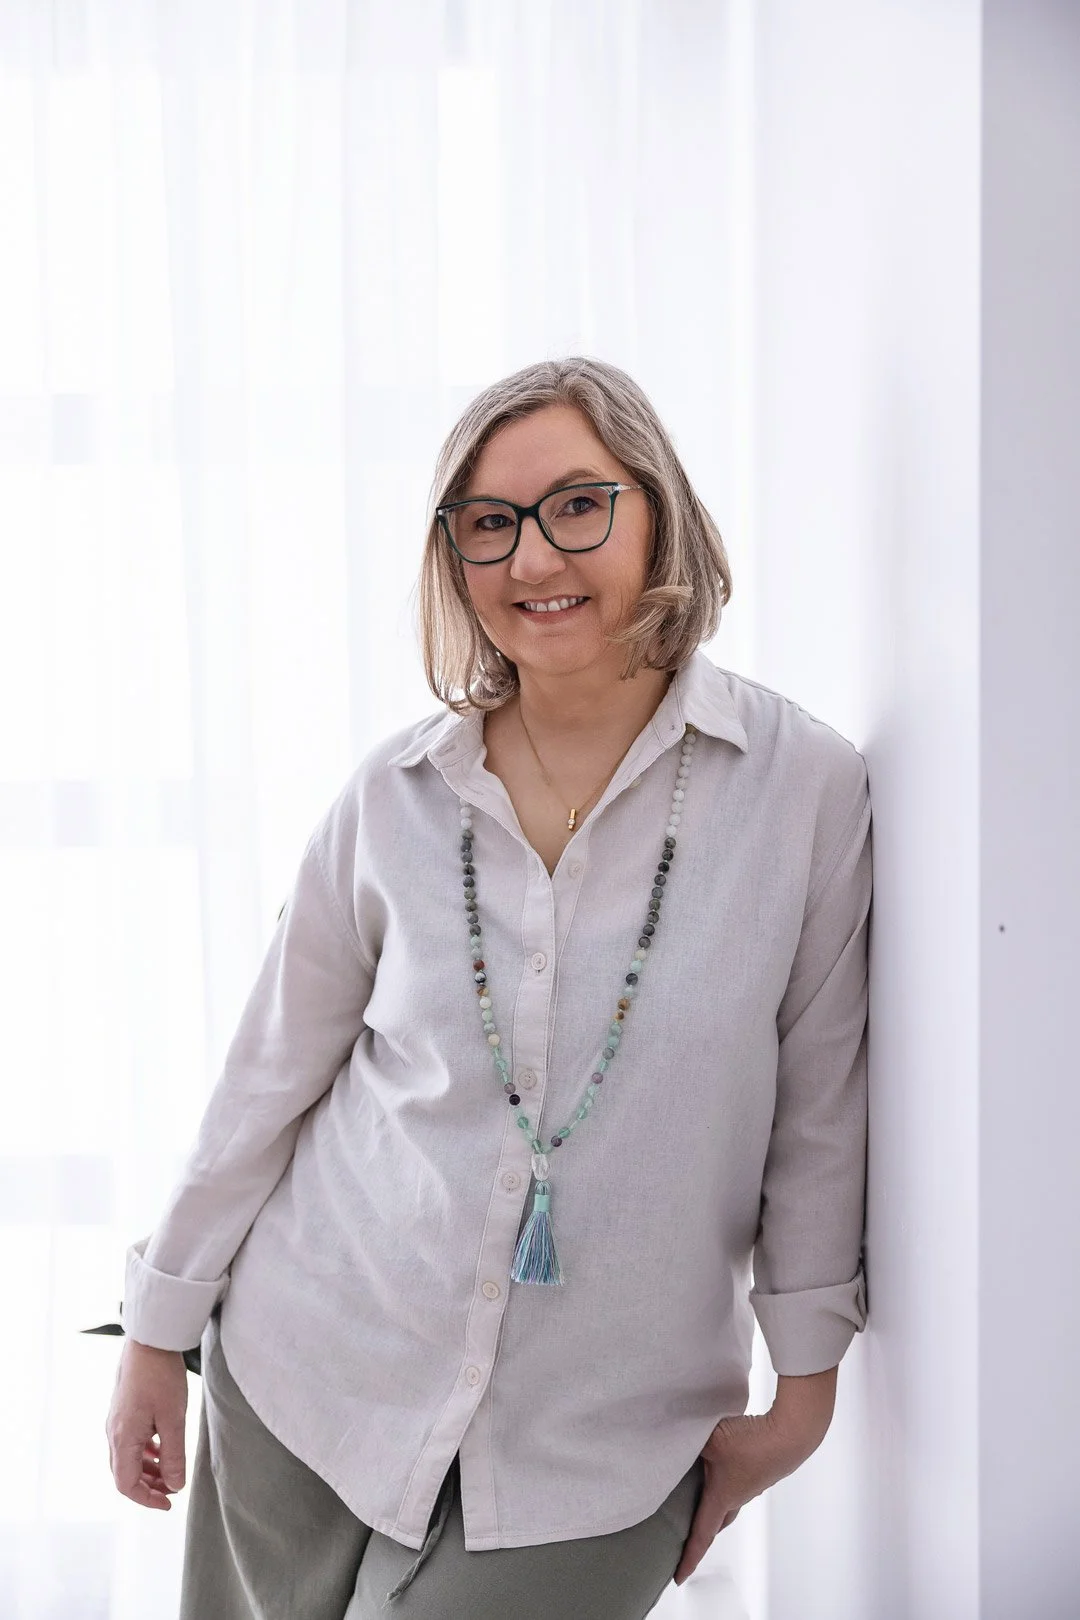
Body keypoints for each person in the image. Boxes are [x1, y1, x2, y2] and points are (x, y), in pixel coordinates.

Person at [105, 356, 872, 1619]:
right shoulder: (395, 798)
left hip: (603, 1450)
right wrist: (154, 1330)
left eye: (578, 504)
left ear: (656, 508)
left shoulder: (805, 793)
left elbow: (821, 1114)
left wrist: (801, 1401)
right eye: (489, 525)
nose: (533, 560)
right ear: (452, 556)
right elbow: (269, 1077)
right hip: (309, 1388)